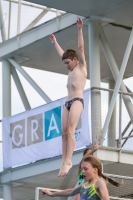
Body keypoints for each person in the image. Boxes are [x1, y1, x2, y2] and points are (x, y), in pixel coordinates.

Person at [49, 17, 87, 177]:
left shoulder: (82, 66)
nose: (66, 66)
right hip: (67, 102)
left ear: (76, 60)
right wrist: (55, 42)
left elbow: (81, 47)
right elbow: (62, 54)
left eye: (68, 63)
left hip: (77, 101)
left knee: (70, 130)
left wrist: (79, 29)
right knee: (64, 132)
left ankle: (69, 160)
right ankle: (64, 161)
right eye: (64, 63)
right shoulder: (70, 69)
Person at [42, 155, 123, 200]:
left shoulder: (99, 182)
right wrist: (52, 194)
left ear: (95, 170)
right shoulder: (85, 183)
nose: (83, 171)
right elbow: (71, 192)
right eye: (82, 169)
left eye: (86, 169)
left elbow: (106, 198)